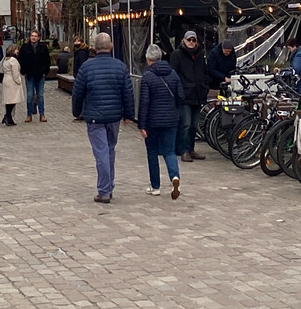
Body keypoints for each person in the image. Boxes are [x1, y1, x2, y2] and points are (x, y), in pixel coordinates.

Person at [71, 32, 134, 203]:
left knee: (101, 152)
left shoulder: (86, 67)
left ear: (94, 47)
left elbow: (78, 93)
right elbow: (127, 93)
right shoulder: (120, 67)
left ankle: (104, 189)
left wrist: (77, 111)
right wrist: (129, 114)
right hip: (113, 116)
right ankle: (108, 185)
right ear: (111, 46)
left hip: (94, 117)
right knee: (110, 149)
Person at [138, 43, 183, 199]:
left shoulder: (147, 77)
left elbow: (144, 102)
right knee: (169, 151)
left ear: (148, 59)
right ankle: (174, 177)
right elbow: (180, 97)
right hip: (171, 119)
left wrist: (142, 125)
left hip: (152, 121)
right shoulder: (174, 74)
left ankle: (155, 186)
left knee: (152, 153)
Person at [169, 29, 206, 162]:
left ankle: (191, 149)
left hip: (197, 94)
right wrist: (180, 90)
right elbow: (173, 74)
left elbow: (203, 71)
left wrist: (204, 86)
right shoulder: (177, 55)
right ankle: (184, 150)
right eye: (189, 39)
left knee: (194, 125)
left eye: (193, 40)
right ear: (184, 40)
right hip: (185, 95)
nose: (191, 42)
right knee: (186, 123)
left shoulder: (200, 54)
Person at [18, 30, 52, 122]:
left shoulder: (43, 47)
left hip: (40, 75)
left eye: (35, 36)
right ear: (30, 37)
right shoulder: (25, 47)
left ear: (39, 38)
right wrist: (23, 71)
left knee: (40, 95)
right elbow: (20, 59)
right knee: (30, 95)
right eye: (32, 36)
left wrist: (45, 71)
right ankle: (29, 114)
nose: (33, 37)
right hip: (29, 75)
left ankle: (42, 114)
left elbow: (47, 60)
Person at [0, 45, 24, 126]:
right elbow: (15, 73)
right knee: (13, 100)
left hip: (6, 80)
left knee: (8, 100)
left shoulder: (5, 59)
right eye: (17, 49)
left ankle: (8, 118)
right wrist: (19, 81)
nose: (18, 51)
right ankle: (7, 116)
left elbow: (1, 70)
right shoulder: (13, 60)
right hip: (12, 81)